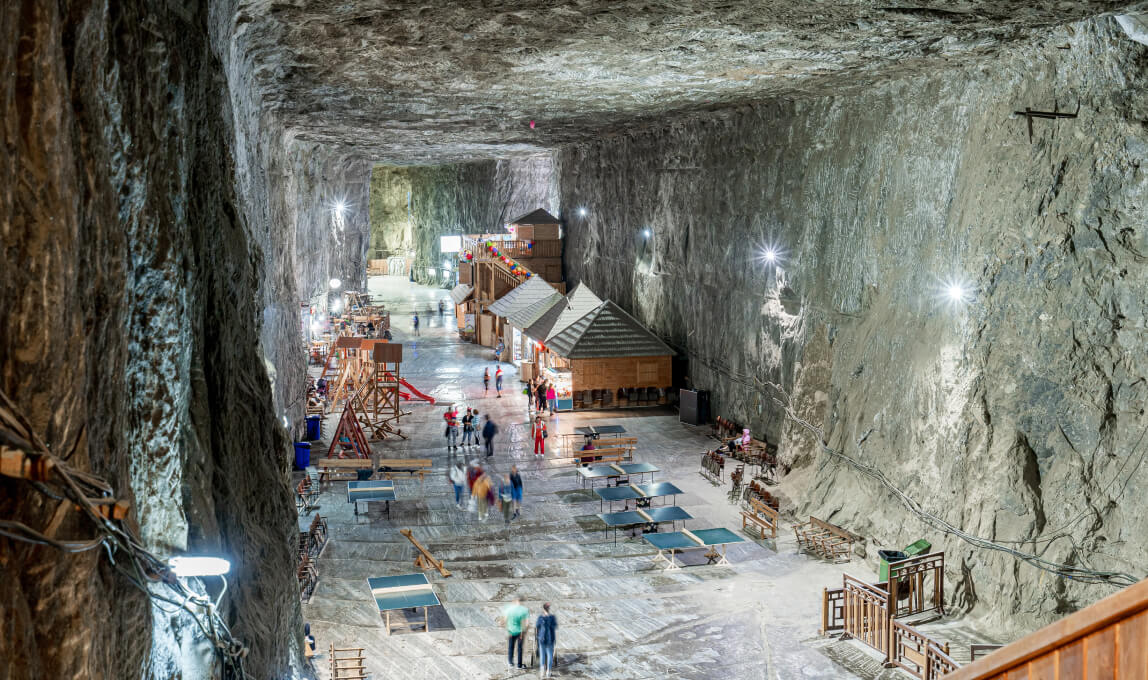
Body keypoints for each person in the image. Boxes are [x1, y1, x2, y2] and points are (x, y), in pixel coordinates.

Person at [503, 598, 530, 671]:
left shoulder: (509, 609)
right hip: (520, 632)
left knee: (511, 647)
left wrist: (508, 630)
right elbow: (527, 624)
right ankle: (519, 665)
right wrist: (524, 632)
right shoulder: (525, 610)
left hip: (511, 631)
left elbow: (504, 621)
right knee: (520, 648)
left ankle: (510, 663)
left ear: (514, 602)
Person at [535, 603, 557, 678]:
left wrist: (538, 636)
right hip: (550, 638)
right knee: (550, 655)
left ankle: (542, 671)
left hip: (542, 639)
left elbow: (537, 627)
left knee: (542, 655)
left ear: (543, 609)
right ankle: (548, 672)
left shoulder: (541, 617)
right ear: (549, 608)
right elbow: (554, 626)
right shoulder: (552, 617)